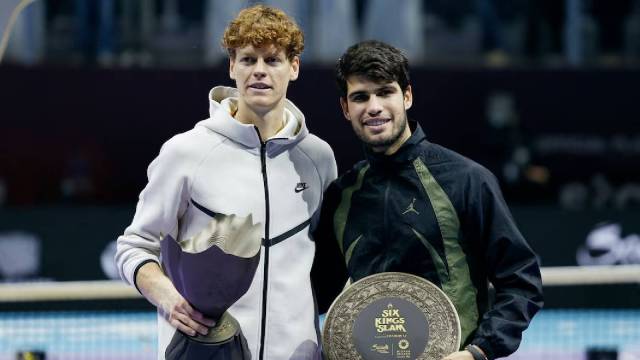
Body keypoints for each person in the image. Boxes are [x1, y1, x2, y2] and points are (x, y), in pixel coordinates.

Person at [116, 5, 337, 359]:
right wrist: (169, 299)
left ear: (293, 68)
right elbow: (134, 246)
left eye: (273, 60)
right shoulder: (186, 152)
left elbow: (326, 260)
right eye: (248, 60)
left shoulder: (318, 158)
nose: (260, 71)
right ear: (232, 67)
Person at [311, 40, 543, 360]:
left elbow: (521, 281)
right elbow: (315, 294)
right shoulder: (342, 195)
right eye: (360, 97)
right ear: (345, 108)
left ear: (407, 96)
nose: (374, 106)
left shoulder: (466, 180)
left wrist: (478, 351)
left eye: (385, 92)